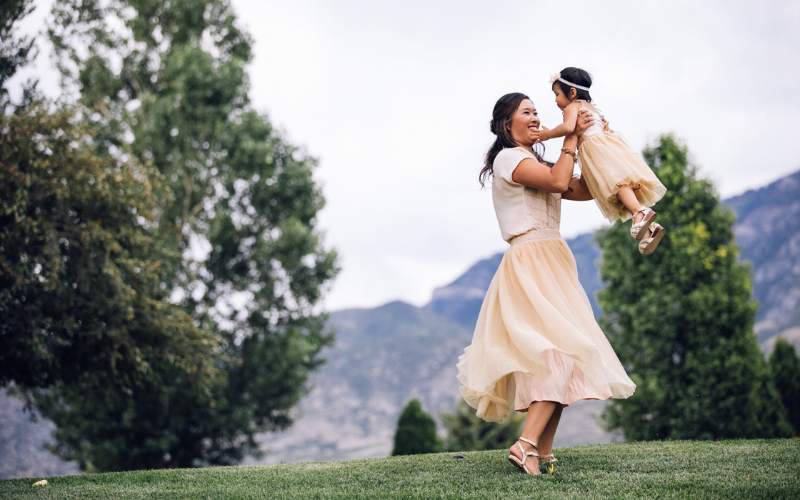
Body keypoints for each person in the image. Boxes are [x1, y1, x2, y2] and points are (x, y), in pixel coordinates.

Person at [456, 93, 636, 476]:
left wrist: (594, 143)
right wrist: (569, 135)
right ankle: (524, 446)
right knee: (554, 354)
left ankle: (541, 450)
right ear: (508, 124)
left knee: (566, 356)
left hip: (552, 259)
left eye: (539, 111)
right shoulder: (510, 158)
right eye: (527, 112)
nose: (537, 117)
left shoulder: (537, 160)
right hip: (530, 260)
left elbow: (580, 188)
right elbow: (558, 180)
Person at [537, 67, 667, 255]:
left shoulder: (572, 107)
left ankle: (639, 211)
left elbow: (567, 127)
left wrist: (546, 135)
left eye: (557, 94)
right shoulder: (592, 108)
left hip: (595, 149)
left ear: (571, 93)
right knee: (620, 187)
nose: (556, 100)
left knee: (616, 184)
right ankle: (650, 229)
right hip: (607, 146)